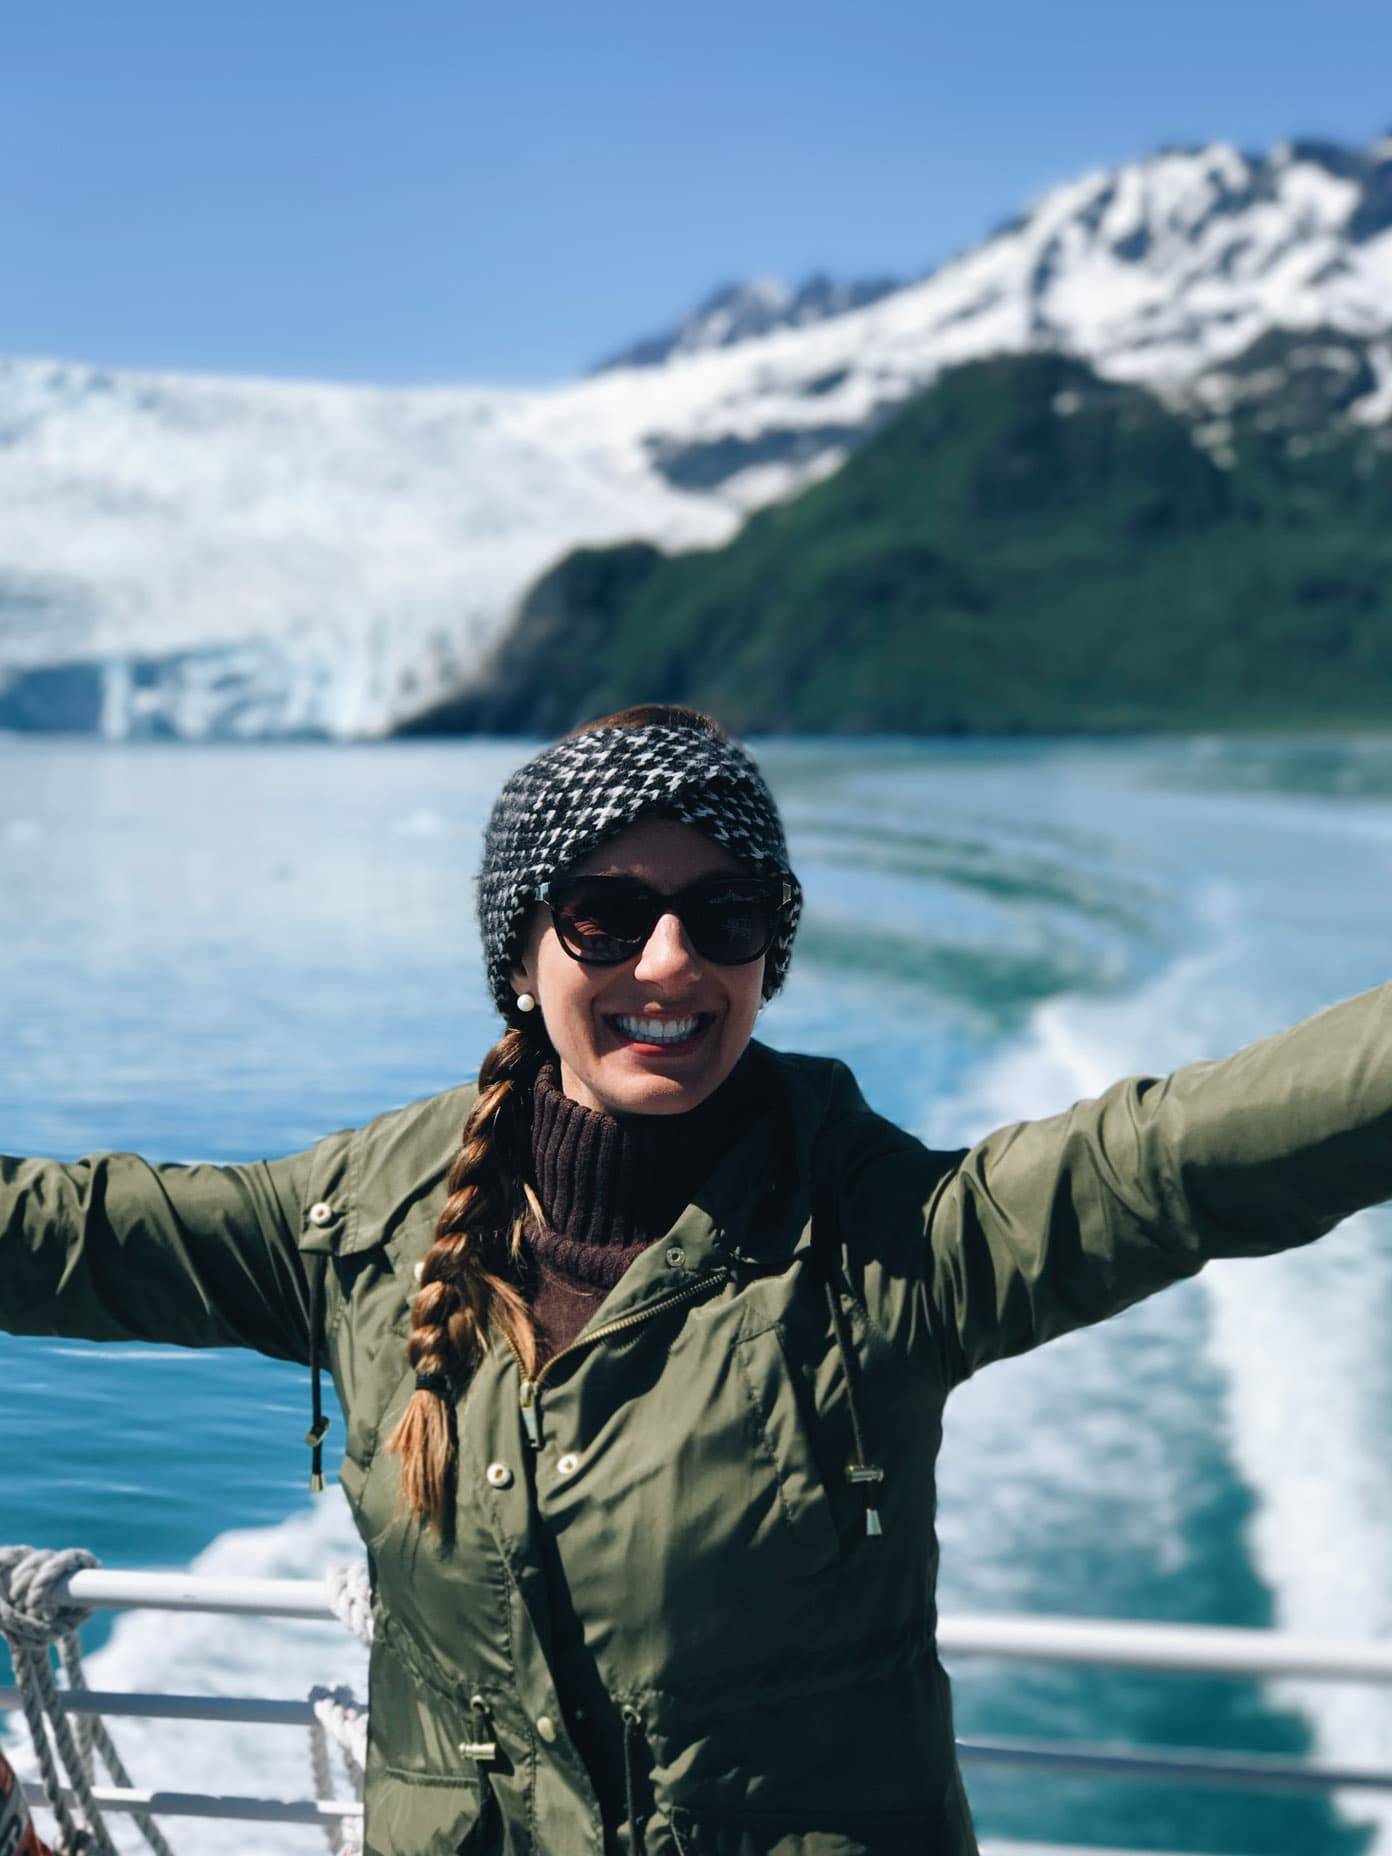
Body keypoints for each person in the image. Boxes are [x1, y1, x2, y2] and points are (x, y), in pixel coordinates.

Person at [3, 702, 1390, 1856]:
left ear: (768, 951)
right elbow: (65, 1233)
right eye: (607, 915)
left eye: (724, 915)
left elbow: (1185, 1159)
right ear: (524, 954)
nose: (672, 961)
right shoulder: (357, 1222)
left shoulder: (895, 1243)